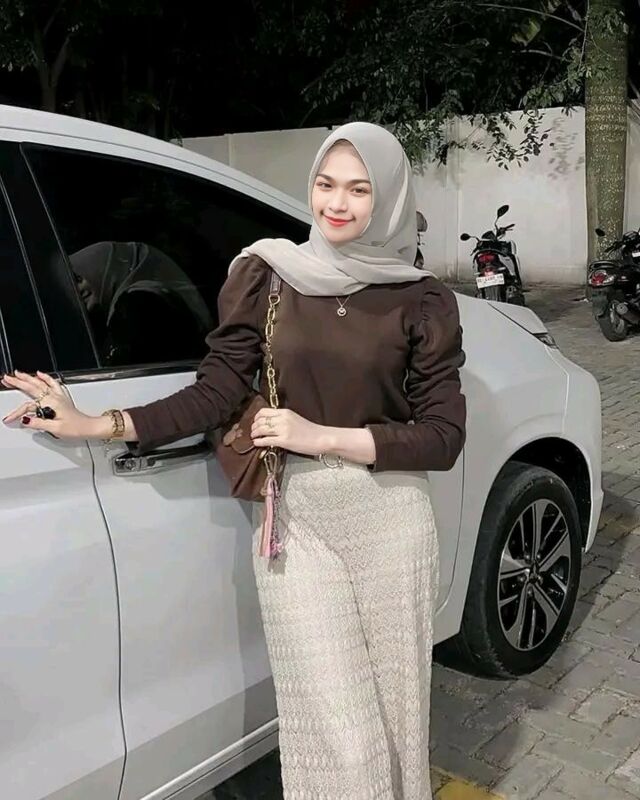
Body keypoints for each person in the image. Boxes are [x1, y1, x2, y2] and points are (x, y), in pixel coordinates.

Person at [2, 122, 466, 800]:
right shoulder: (269, 275)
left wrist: (320, 436)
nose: (336, 203)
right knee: (334, 727)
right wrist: (98, 423)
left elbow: (443, 437)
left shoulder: (422, 300)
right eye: (325, 184)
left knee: (398, 722)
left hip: (389, 519)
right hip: (297, 526)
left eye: (359, 190)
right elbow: (215, 391)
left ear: (389, 199)